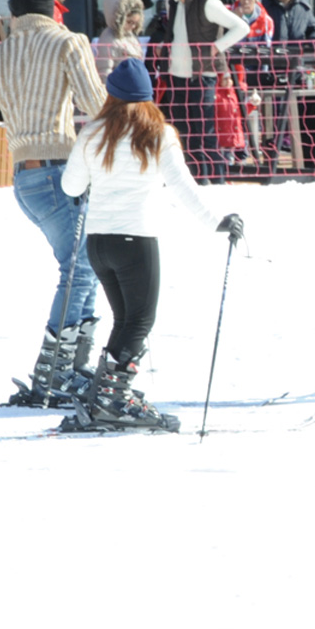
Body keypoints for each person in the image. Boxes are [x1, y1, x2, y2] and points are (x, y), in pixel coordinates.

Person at [0, 0, 107, 407]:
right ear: (52, 9)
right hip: (61, 172)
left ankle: (70, 367)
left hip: (25, 179)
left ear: (16, 15)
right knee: (80, 268)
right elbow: (97, 106)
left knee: (84, 264)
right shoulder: (69, 43)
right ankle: (55, 373)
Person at [59, 58, 244, 431]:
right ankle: (112, 400)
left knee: (126, 320)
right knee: (139, 321)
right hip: (136, 240)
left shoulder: (93, 132)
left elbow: (70, 187)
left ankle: (106, 395)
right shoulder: (158, 133)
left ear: (110, 94)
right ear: (148, 96)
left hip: (99, 243)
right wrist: (217, 222)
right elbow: (182, 187)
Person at [161, 0, 249, 183]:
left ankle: (216, 181)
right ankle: (195, 182)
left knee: (205, 133)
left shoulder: (207, 3)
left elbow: (242, 27)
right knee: (183, 134)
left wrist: (217, 46)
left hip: (201, 77)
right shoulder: (172, 2)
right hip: (176, 77)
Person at [94, 0, 145, 81]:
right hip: (119, 89)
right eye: (129, 22)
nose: (132, 27)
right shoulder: (108, 38)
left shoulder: (131, 36)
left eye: (135, 23)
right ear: (119, 18)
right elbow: (104, 70)